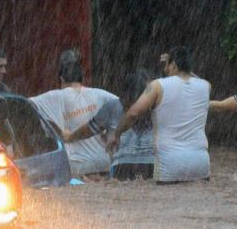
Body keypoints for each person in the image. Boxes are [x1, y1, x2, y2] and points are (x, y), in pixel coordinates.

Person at [108, 47, 210, 183]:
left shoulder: (157, 86)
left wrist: (117, 134)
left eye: (167, 64)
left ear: (173, 65)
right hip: (201, 163)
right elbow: (190, 80)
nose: (165, 69)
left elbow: (133, 114)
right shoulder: (206, 86)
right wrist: (183, 64)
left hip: (170, 163)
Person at [30, 49, 118, 177]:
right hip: (103, 164)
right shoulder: (101, 95)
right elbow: (124, 107)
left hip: (76, 166)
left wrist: (52, 127)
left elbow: (24, 104)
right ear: (81, 78)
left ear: (61, 79)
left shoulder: (55, 97)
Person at [64, 71, 155, 180]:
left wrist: (70, 137)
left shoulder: (113, 106)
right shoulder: (157, 108)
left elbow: (89, 130)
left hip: (121, 168)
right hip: (152, 166)